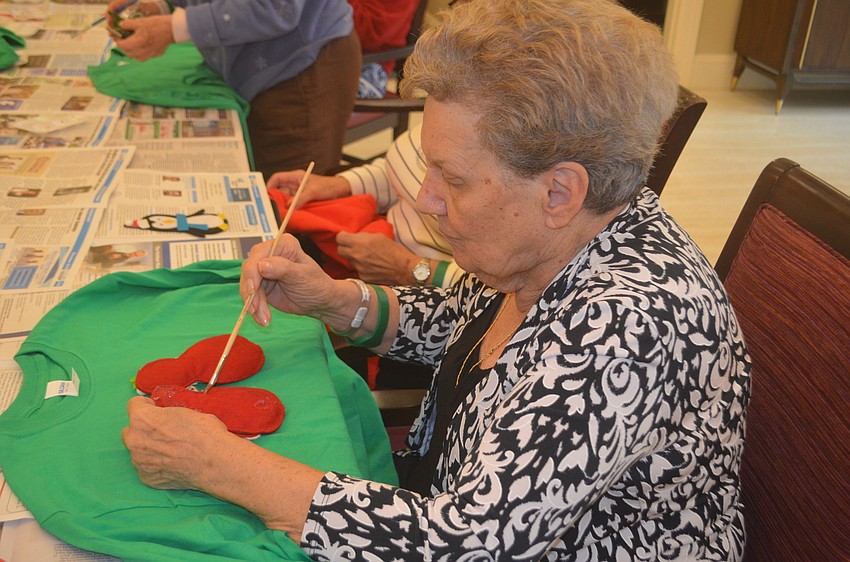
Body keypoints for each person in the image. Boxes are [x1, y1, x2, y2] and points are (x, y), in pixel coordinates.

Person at [122, 0, 751, 559]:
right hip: (438, 495)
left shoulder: (631, 325)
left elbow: (469, 544)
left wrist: (220, 465)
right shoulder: (549, 244)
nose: (426, 199)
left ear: (560, 191)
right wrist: (334, 299)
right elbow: (460, 322)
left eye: (453, 178)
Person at [105, 0, 361, 178]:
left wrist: (173, 28)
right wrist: (161, 6)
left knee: (288, 204)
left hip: (299, 69)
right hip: (257, 67)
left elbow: (277, 8)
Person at [267, 123, 465, 288]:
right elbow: (403, 170)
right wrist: (342, 184)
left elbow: (481, 294)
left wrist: (407, 267)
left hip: (415, 289)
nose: (422, 201)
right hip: (369, 250)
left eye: (452, 180)